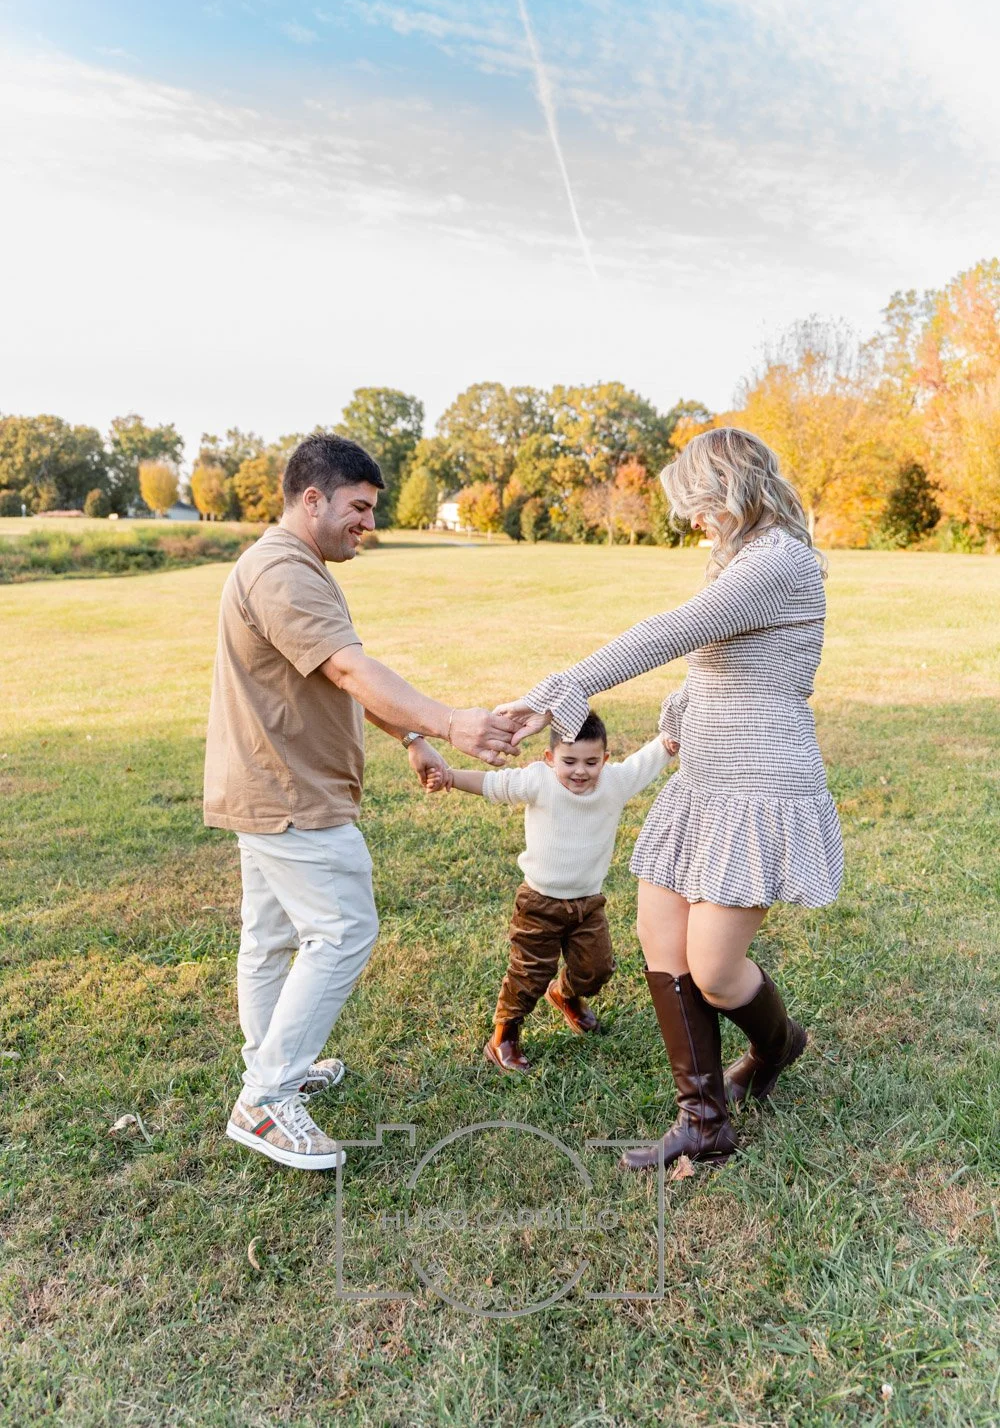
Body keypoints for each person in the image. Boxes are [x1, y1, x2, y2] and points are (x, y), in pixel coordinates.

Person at [496, 428, 843, 1172]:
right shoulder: (747, 559)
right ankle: (703, 1123)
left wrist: (561, 690)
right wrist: (685, 704)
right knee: (662, 939)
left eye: (695, 503)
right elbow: (724, 652)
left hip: (759, 787)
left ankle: (779, 1046)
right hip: (704, 781)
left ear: (732, 488)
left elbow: (675, 629)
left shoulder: (780, 559)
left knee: (715, 971)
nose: (690, 520)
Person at [203, 433, 517, 1171]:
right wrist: (450, 722)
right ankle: (267, 1097)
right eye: (358, 508)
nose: (367, 525)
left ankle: (274, 1066)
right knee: (344, 929)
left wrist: (409, 737)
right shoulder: (283, 572)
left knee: (272, 937)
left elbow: (335, 673)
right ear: (312, 499)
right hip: (290, 792)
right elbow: (349, 667)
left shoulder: (289, 564)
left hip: (267, 783)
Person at [425, 711, 672, 1073]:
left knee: (597, 968)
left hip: (588, 903)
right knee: (529, 975)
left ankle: (566, 995)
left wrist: (668, 743)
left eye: (591, 762)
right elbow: (494, 784)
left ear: (605, 759)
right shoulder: (538, 780)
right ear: (549, 758)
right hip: (539, 903)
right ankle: (504, 1037)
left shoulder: (614, 783)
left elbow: (647, 760)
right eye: (569, 761)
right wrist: (450, 777)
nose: (580, 771)